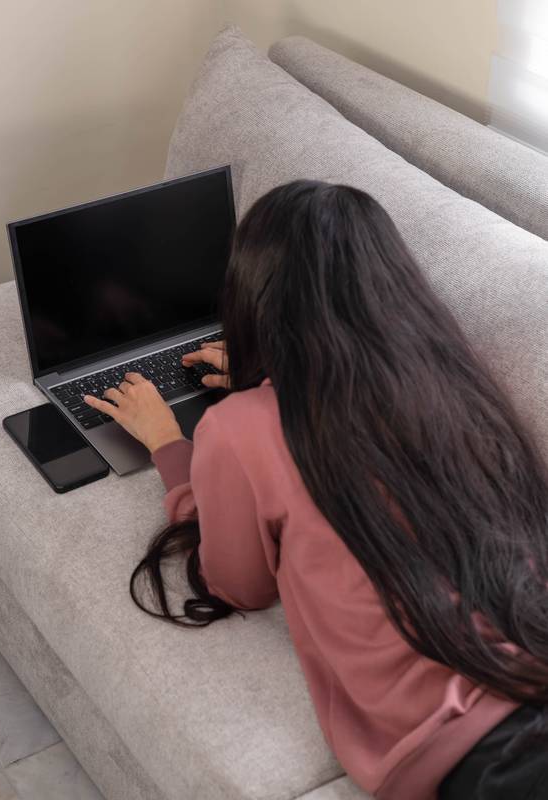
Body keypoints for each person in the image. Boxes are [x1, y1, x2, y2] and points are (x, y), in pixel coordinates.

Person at [82, 179, 548, 800]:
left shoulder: (240, 429)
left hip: (492, 756)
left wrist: (169, 443)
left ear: (253, 296)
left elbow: (238, 585)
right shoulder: (455, 382)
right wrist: (272, 378)